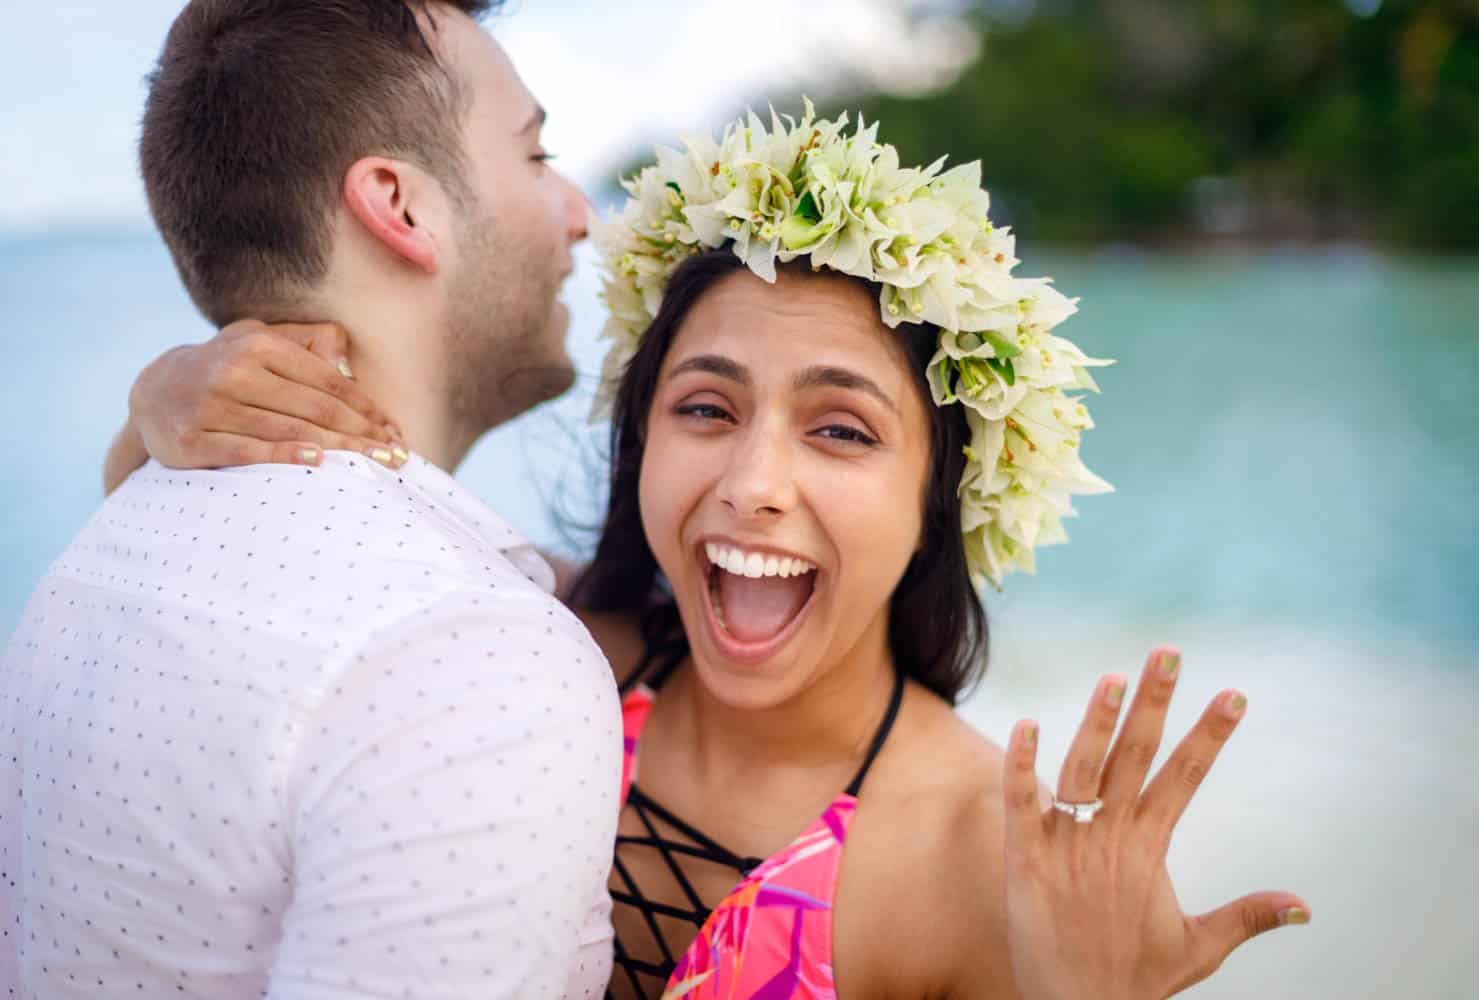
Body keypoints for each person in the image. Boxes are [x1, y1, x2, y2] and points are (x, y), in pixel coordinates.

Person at [113, 104, 1311, 998]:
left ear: (941, 498)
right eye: (705, 407)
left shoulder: (977, 858)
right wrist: (164, 400)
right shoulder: (537, 647)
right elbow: (238, 545)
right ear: (640, 443)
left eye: (840, 429)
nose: (752, 485)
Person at [0, 2, 623, 997]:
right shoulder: (468, 650)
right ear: (401, 206)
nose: (582, 211)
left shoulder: (99, 558)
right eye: (537, 154)